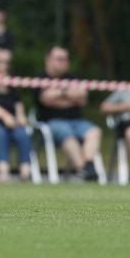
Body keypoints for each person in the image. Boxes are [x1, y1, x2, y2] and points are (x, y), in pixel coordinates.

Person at [34, 46, 101, 181]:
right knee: (66, 133)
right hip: (51, 122)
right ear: (48, 60)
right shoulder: (40, 78)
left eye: (66, 59)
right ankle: (83, 169)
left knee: (94, 131)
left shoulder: (73, 77)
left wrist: (58, 94)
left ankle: (88, 165)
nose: (64, 62)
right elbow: (46, 99)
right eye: (60, 59)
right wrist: (69, 94)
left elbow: (82, 99)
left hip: (77, 121)